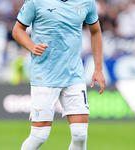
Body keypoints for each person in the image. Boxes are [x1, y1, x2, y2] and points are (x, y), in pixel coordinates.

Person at [12, 0, 106, 149]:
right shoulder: (35, 1)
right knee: (38, 137)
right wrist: (32, 46)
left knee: (80, 135)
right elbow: (17, 30)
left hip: (74, 75)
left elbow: (95, 32)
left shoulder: (87, 2)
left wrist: (98, 69)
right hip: (44, 76)